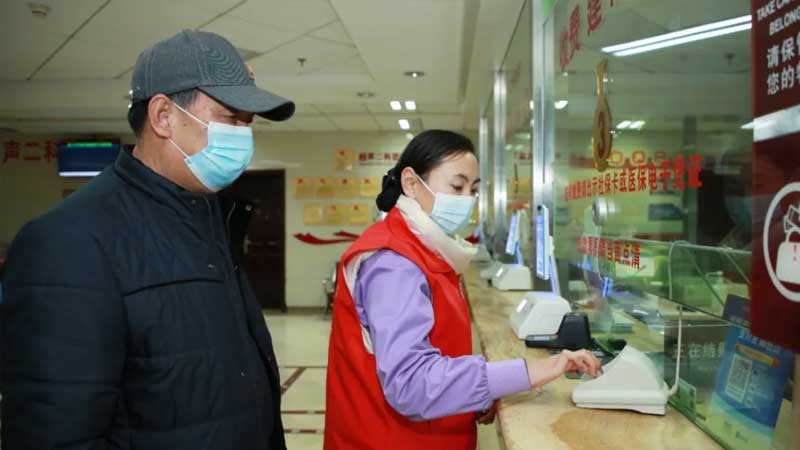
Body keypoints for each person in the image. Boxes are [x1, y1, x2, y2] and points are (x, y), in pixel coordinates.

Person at [0, 30, 294, 449]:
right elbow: (56, 433)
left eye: (249, 123)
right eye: (230, 118)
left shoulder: (212, 219)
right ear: (163, 116)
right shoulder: (68, 243)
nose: (243, 135)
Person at [324, 130, 601, 450]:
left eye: (473, 190)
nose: (467, 200)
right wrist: (532, 371)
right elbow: (411, 385)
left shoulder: (426, 249)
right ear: (412, 183)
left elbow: (436, 352)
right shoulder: (394, 264)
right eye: (456, 187)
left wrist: (475, 393)